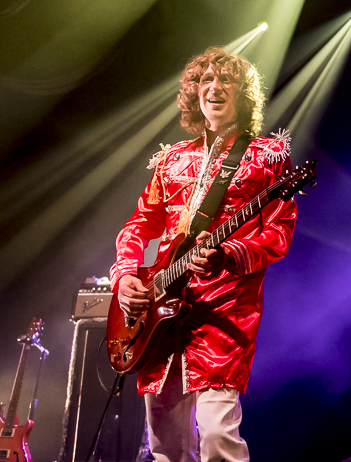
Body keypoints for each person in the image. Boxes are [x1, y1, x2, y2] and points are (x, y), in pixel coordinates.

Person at [111, 47, 296, 462]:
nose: (214, 87)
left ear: (243, 94)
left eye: (225, 80)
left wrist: (227, 254)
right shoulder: (171, 159)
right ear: (193, 93)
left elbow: (278, 236)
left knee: (216, 436)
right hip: (159, 312)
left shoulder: (267, 156)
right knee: (165, 445)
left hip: (224, 311)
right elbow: (138, 225)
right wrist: (125, 276)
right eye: (205, 80)